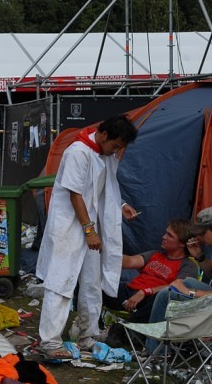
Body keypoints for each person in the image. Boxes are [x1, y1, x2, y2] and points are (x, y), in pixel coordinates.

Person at [36, 115, 138, 360]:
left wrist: (120, 204)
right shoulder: (77, 152)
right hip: (70, 226)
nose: (116, 151)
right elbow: (75, 194)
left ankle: (87, 334)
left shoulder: (105, 154)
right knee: (61, 282)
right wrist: (89, 230)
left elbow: (106, 186)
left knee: (92, 282)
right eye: (115, 145)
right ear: (103, 135)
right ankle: (50, 342)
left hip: (90, 226)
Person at [147, 207, 212, 353]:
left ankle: (155, 352)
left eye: (202, 233)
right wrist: (199, 256)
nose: (200, 237)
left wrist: (188, 292)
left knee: (166, 294)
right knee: (184, 283)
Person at [102, 220, 199, 324]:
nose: (164, 237)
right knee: (98, 285)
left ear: (182, 243)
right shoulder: (155, 254)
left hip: (150, 301)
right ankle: (90, 326)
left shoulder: (188, 265)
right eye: (166, 233)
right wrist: (104, 252)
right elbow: (130, 261)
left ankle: (124, 331)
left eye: (169, 235)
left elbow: (177, 288)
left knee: (160, 299)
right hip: (129, 292)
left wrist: (145, 291)